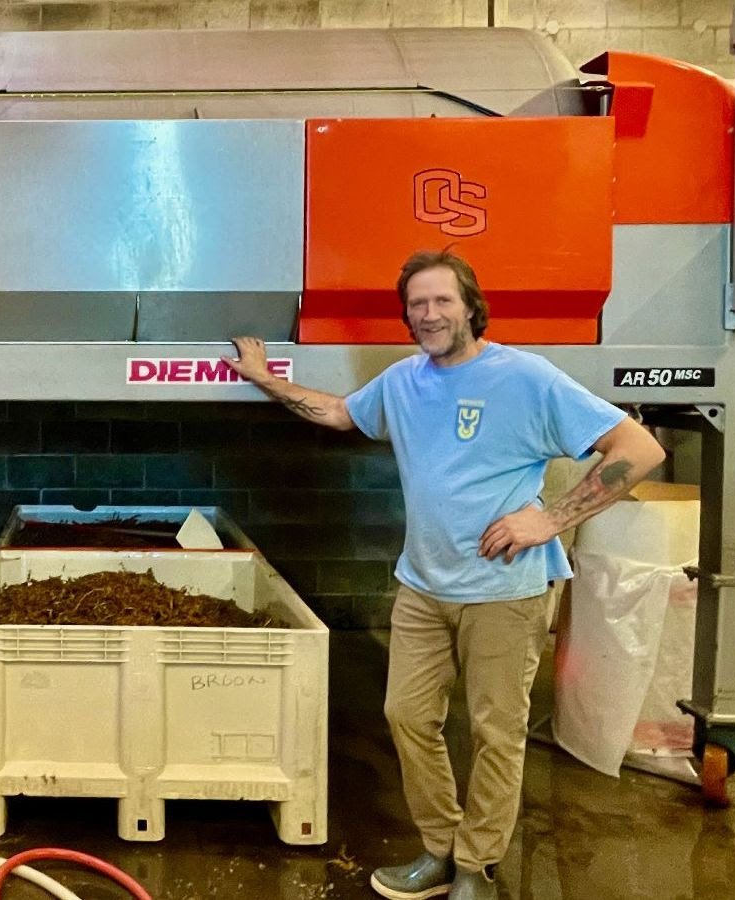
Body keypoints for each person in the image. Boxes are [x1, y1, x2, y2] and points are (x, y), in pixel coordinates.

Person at [222, 250, 665, 900]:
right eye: (418, 305)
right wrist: (264, 377)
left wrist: (550, 518)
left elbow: (640, 448)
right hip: (423, 588)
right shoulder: (404, 382)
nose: (429, 314)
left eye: (442, 301)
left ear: (470, 307)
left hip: (505, 592)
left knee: (494, 731)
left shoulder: (526, 378)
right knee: (407, 715)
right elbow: (340, 412)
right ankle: (438, 849)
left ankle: (474, 869)